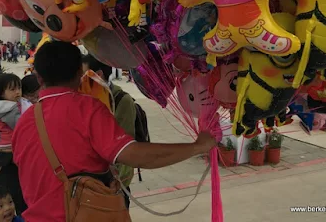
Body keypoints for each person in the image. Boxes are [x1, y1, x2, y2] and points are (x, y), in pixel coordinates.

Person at [13, 41, 215, 221]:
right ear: (79, 73)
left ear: (38, 78)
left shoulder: (24, 121)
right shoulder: (87, 108)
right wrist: (197, 147)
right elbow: (134, 154)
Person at [82, 55, 136, 208]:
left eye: (82, 74)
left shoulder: (121, 101)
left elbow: (125, 147)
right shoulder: (84, 99)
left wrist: (116, 180)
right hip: (90, 181)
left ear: (98, 75)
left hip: (114, 183)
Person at [0, 74, 27, 216]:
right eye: (12, 89)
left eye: (19, 88)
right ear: (1, 93)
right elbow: (22, 126)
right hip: (7, 152)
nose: (17, 92)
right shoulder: (8, 108)